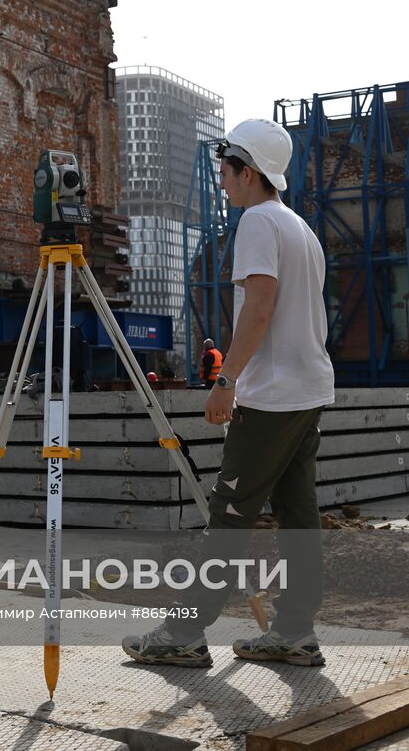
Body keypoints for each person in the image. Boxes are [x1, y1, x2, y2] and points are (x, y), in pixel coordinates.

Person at [122, 117, 336, 668]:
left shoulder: (259, 224)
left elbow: (259, 309)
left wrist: (226, 379)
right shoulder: (299, 228)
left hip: (271, 396)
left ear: (247, 171)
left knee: (230, 515)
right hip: (306, 388)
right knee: (298, 511)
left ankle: (184, 634)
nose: (219, 176)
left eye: (225, 166)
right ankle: (294, 630)